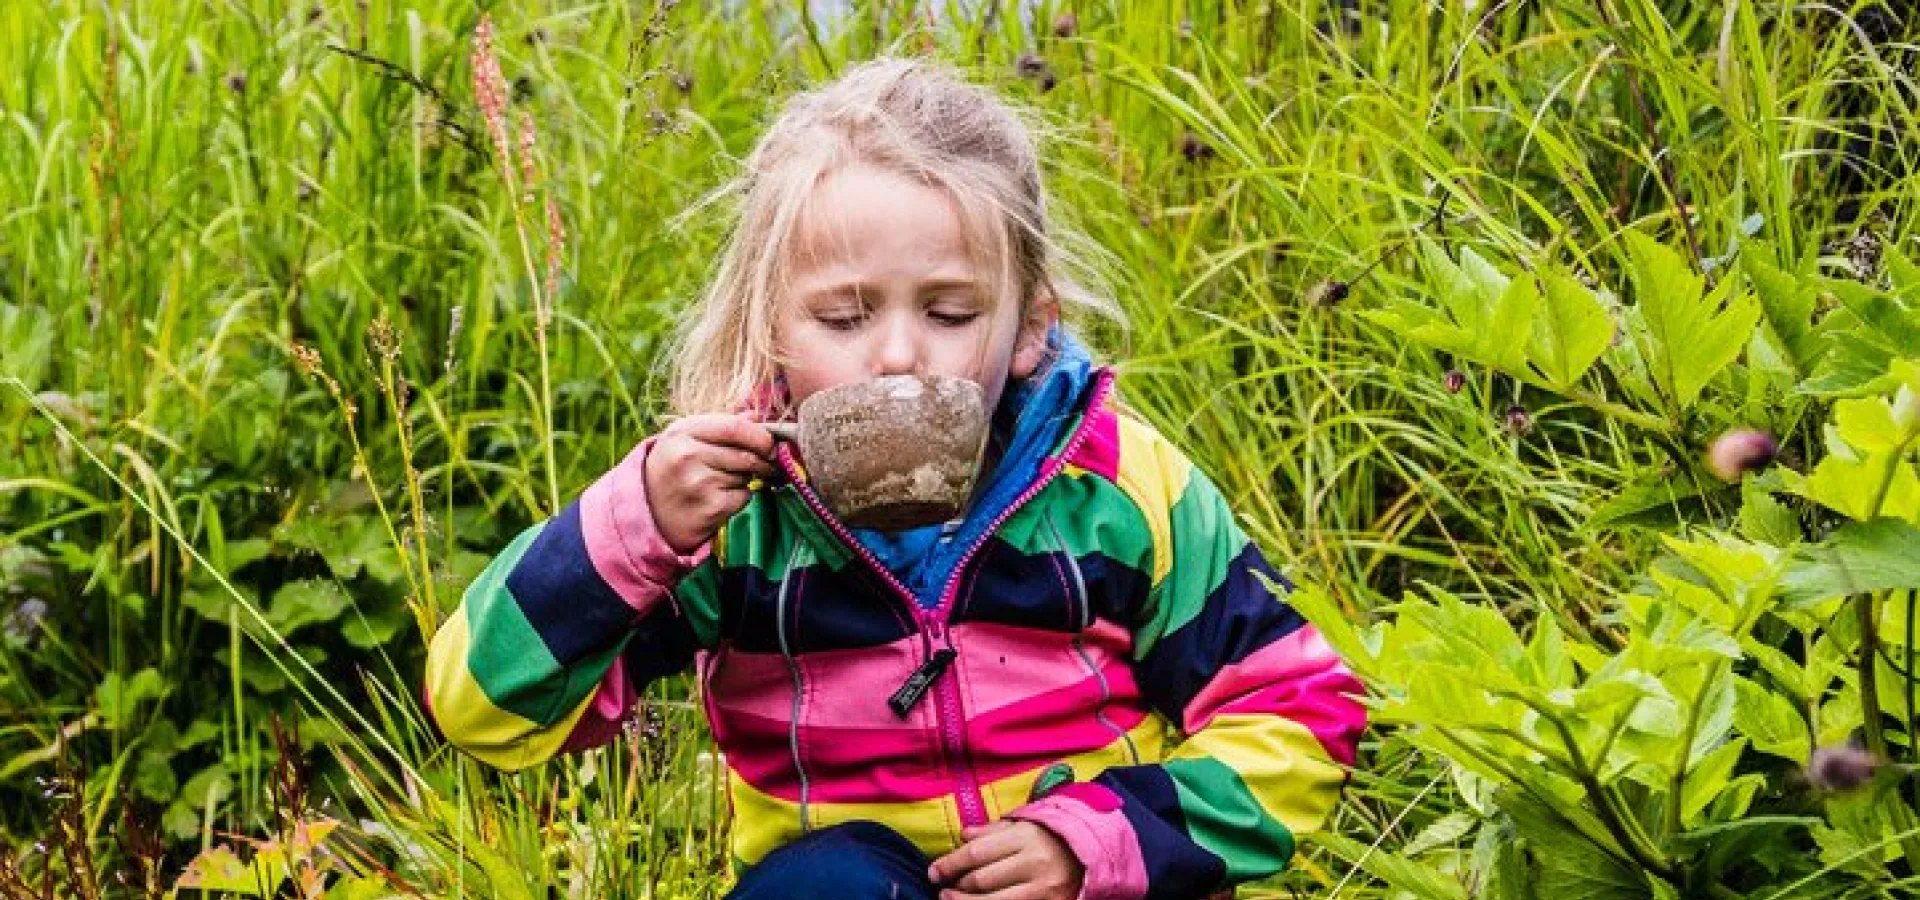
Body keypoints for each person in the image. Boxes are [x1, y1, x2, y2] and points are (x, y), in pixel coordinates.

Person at [424, 56, 1365, 900]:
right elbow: (481, 710)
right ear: (770, 332)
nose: (901, 355)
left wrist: (1098, 844)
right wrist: (633, 527)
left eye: (952, 312)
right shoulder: (727, 520)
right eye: (842, 319)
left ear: (1029, 326)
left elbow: (1303, 710)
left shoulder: (1117, 488)